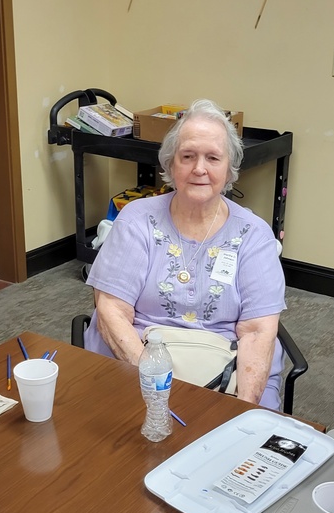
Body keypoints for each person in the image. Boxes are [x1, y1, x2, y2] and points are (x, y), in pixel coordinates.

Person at [84, 99, 287, 407]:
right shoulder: (137, 219)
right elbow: (112, 310)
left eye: (213, 158)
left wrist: (241, 409)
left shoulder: (253, 234)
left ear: (229, 168)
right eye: (188, 156)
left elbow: (258, 331)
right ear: (171, 163)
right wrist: (156, 387)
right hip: (135, 359)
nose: (199, 169)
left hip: (224, 369)